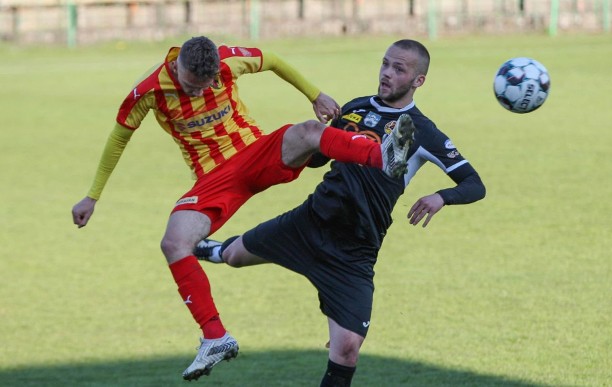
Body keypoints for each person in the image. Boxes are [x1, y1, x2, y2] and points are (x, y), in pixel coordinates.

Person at [70, 36, 413, 381]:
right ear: (176, 67)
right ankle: (215, 336)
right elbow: (119, 138)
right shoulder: (147, 92)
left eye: (207, 86)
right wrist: (92, 196)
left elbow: (273, 59)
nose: (199, 93)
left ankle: (382, 155)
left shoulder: (228, 60)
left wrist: (315, 94)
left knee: (309, 131)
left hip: (255, 154)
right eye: (192, 86)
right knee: (174, 243)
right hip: (215, 180)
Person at [195, 39, 487, 386]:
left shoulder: (422, 130)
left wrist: (441, 197)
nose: (387, 74)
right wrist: (316, 136)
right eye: (385, 64)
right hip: (310, 222)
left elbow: (473, 183)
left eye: (399, 69)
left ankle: (382, 155)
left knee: (347, 348)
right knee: (233, 256)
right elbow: (318, 160)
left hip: (355, 250)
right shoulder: (356, 108)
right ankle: (205, 247)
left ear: (418, 81)